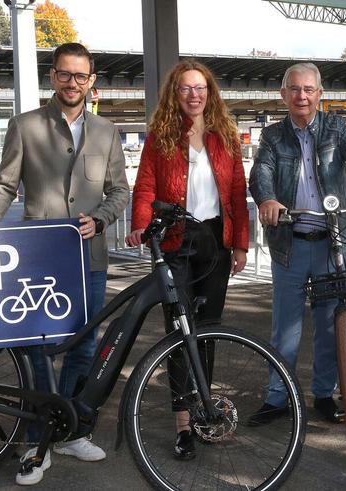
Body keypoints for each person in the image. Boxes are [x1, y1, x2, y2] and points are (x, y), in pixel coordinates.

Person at [0, 42, 129, 485]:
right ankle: (37, 438)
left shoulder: (108, 132)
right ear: (53, 76)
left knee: (83, 345)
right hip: (39, 258)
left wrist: (102, 218)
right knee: (37, 349)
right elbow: (5, 187)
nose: (74, 83)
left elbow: (119, 192)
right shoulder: (26, 126)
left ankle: (68, 431)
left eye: (82, 76)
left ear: (92, 81)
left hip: (89, 256)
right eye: (65, 75)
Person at [248, 62, 346, 426]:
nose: (301, 95)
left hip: (331, 242)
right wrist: (267, 200)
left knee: (328, 324)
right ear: (283, 94)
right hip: (289, 242)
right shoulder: (273, 136)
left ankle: (323, 393)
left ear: (320, 94)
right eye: (294, 89)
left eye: (308, 89)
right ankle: (279, 397)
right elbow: (262, 172)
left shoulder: (336, 128)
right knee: (285, 327)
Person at [125, 60, 249, 460]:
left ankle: (204, 412)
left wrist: (241, 244)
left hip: (215, 240)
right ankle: (183, 425)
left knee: (208, 331)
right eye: (185, 89)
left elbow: (236, 195)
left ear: (209, 93)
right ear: (174, 95)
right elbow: (145, 186)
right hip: (175, 240)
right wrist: (141, 226)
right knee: (179, 332)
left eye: (200, 88)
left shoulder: (225, 136)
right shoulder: (160, 137)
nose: (194, 95)